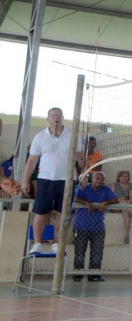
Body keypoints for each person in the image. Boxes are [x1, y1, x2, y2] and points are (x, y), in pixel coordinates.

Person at [22, 107, 83, 254]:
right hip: (46, 179)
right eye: (53, 115)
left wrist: (83, 175)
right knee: (41, 213)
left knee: (62, 214)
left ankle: (57, 243)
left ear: (62, 117)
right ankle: (37, 243)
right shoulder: (40, 137)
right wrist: (25, 180)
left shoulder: (73, 134)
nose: (56, 118)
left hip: (67, 180)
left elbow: (80, 157)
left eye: (59, 115)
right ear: (48, 118)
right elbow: (31, 160)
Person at [71, 171, 118, 282]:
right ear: (92, 178)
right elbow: (74, 198)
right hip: (81, 226)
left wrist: (104, 203)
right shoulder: (83, 188)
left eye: (102, 179)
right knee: (79, 252)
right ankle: (77, 275)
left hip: (98, 227)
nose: (99, 181)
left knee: (97, 252)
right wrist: (86, 203)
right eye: (97, 178)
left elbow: (115, 199)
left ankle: (94, 275)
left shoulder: (105, 189)